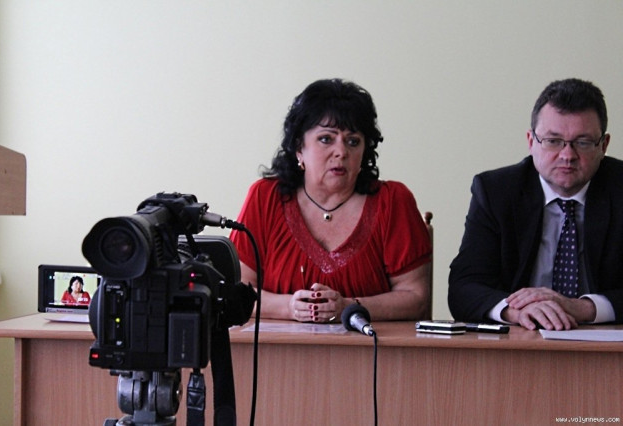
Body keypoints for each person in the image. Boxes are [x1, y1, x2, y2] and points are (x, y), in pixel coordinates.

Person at [230, 78, 432, 323]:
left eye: (353, 141)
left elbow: (416, 299)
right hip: (277, 346)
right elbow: (235, 291)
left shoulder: (393, 202)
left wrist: (347, 307)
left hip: (370, 346)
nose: (341, 152)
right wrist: (289, 308)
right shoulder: (265, 197)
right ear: (299, 148)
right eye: (326, 139)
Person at [449, 78, 623, 331]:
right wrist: (515, 311)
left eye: (583, 142)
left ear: (603, 146)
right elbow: (463, 287)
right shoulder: (496, 191)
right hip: (523, 339)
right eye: (553, 140)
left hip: (605, 344)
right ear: (531, 141)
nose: (567, 156)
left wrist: (583, 308)